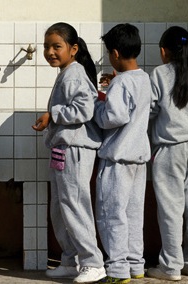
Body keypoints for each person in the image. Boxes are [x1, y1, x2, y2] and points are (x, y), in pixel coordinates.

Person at [32, 22, 106, 284]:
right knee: (61, 207)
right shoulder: (66, 72)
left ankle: (92, 262)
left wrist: (53, 114)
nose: (50, 51)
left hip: (75, 148)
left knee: (74, 204)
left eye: (56, 46)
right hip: (63, 147)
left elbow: (84, 110)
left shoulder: (75, 74)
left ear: (73, 49)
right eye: (46, 47)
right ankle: (71, 259)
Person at [146, 26, 188, 281]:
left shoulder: (160, 73)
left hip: (171, 146)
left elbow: (151, 109)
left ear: (163, 51)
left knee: (170, 208)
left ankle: (170, 266)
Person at [92, 23, 152, 284]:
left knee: (110, 214)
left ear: (114, 53)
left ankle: (117, 270)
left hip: (117, 158)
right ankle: (135, 264)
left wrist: (97, 104)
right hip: (139, 157)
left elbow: (113, 117)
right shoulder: (144, 78)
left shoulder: (120, 84)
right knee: (133, 214)